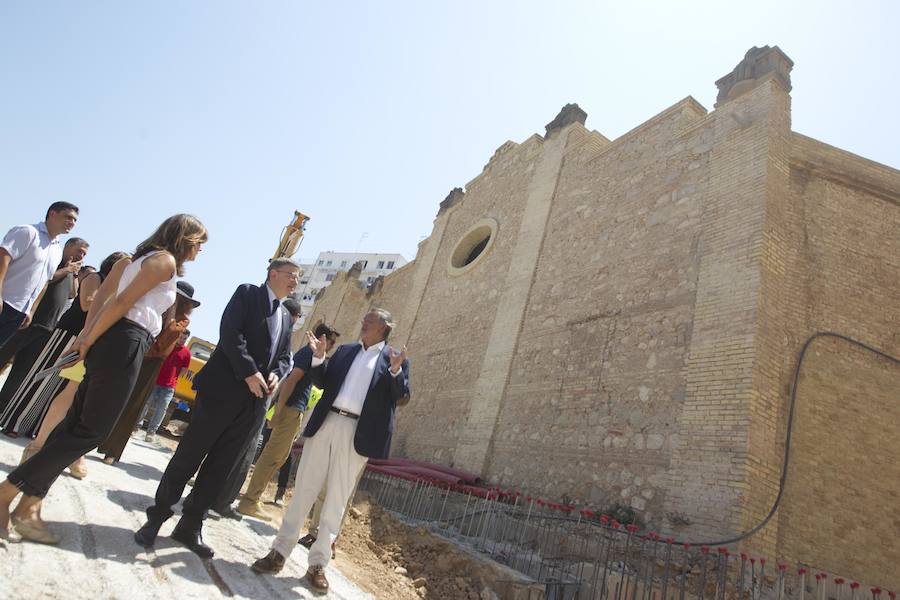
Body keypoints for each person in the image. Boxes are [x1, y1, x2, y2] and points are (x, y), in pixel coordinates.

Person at [0, 214, 207, 544]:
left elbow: (114, 300)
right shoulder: (164, 261)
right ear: (185, 239)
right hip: (126, 340)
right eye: (199, 243)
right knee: (91, 432)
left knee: (74, 427)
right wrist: (86, 339)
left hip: (117, 339)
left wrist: (90, 338)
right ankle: (6, 494)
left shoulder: (140, 259)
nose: (200, 251)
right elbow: (122, 302)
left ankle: (28, 507)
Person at [134, 258, 299, 558]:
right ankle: (156, 518)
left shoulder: (286, 317)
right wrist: (249, 372)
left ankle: (190, 525)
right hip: (223, 392)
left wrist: (277, 374)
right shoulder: (247, 294)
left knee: (220, 467)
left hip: (254, 404)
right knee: (189, 456)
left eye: (298, 278)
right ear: (273, 274)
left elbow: (286, 356)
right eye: (291, 275)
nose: (295, 282)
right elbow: (231, 333)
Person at [251, 308, 410, 593]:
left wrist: (396, 372)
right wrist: (320, 357)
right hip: (326, 423)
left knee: (336, 499)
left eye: (370, 320)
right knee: (304, 491)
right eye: (365, 318)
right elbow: (323, 381)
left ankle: (318, 565)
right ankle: (279, 552)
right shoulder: (347, 351)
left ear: (384, 327)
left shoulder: (393, 359)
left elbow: (401, 397)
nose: (363, 321)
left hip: (357, 434)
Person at [17, 253, 131, 479]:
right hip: (94, 341)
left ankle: (74, 455)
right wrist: (86, 338)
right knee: (71, 394)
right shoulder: (114, 277)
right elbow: (92, 305)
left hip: (112, 347)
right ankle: (37, 447)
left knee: (87, 402)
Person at [210, 297, 304, 521]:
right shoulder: (272, 329)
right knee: (240, 450)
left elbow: (281, 366)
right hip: (251, 400)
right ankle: (218, 499)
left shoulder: (283, 337)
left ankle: (220, 497)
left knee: (242, 451)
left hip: (258, 403)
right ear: (294, 317)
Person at [237, 322, 339, 520]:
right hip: (290, 409)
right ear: (322, 339)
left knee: (278, 456)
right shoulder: (308, 353)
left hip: (294, 410)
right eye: (331, 342)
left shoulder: (313, 355)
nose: (332, 346)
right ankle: (249, 501)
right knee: (272, 455)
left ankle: (251, 497)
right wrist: (278, 412)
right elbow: (291, 381)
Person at [97, 281, 200, 464]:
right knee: (118, 398)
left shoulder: (181, 319)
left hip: (152, 361)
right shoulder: (158, 306)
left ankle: (112, 451)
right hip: (140, 352)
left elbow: (168, 337)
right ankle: (103, 443)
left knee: (134, 405)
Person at [0, 238, 89, 422]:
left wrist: (73, 274)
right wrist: (66, 270)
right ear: (68, 247)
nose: (81, 255)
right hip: (28, 321)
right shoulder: (54, 260)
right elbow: (44, 279)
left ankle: (2, 407)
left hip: (47, 328)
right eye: (79, 250)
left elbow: (72, 294)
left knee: (22, 371)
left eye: (84, 253)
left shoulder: (72, 271)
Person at [0, 202, 79, 349]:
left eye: (75, 220)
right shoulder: (28, 232)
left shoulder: (56, 250)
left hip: (19, 312)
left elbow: (44, 282)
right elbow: (3, 258)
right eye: (68, 217)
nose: (72, 222)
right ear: (52, 214)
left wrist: (31, 310)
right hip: (4, 301)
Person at [139, 328, 192, 443]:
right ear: (177, 336)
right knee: (146, 403)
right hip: (156, 381)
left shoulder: (187, 353)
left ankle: (151, 432)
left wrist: (174, 377)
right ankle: (136, 426)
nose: (182, 340)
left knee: (162, 408)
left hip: (169, 386)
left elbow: (184, 370)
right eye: (181, 337)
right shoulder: (168, 345)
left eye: (185, 339)